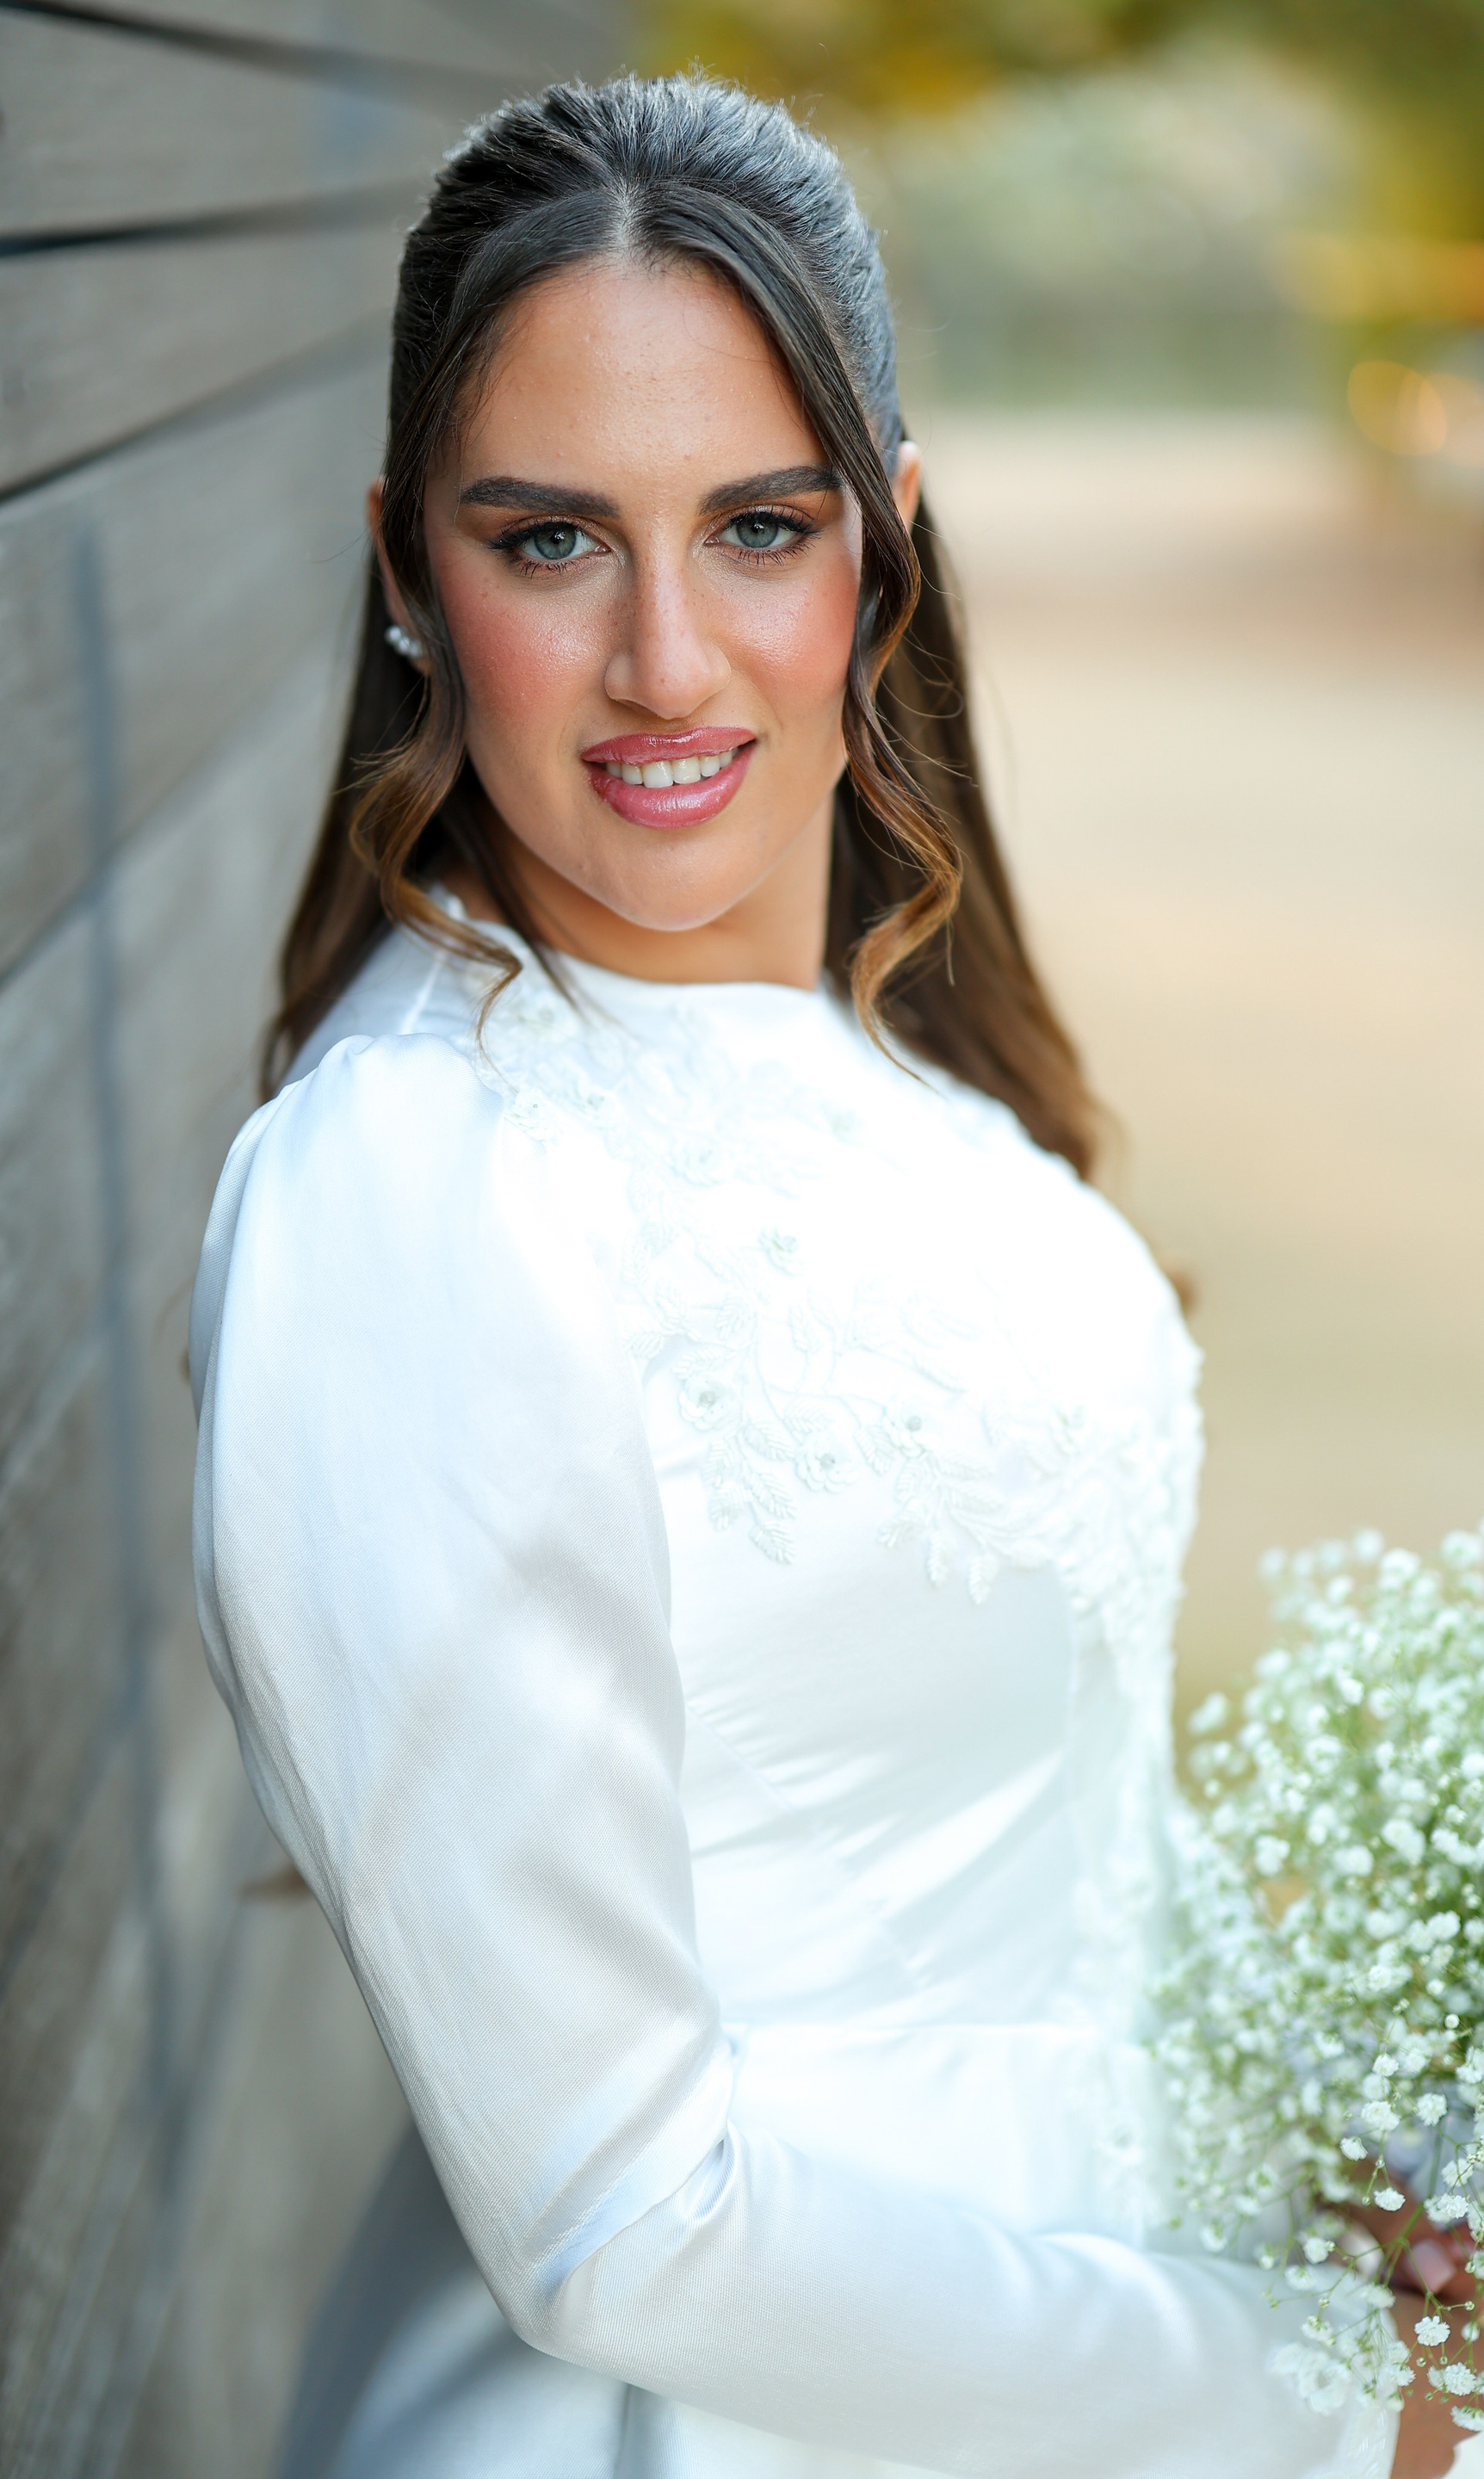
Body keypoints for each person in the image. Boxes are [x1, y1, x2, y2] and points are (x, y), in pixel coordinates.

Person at [189, 73, 1462, 2479]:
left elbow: (1067, 1820)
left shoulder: (898, 1058)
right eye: (552, 542)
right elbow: (616, 2225)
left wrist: (1350, 2182)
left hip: (1106, 2331)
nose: (669, 662)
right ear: (407, 569)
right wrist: (1303, 2401)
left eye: (758, 528)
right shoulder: (409, 1192)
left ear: (884, 548)